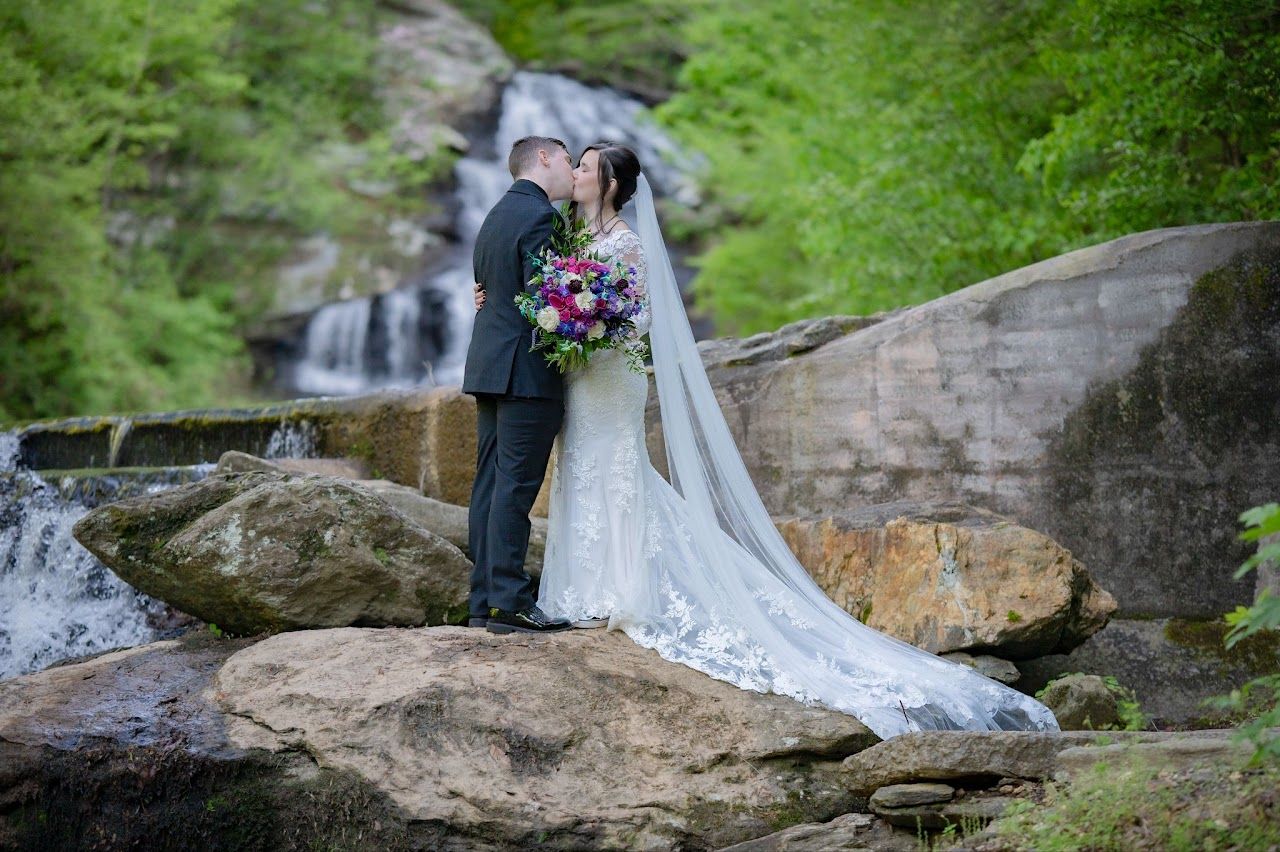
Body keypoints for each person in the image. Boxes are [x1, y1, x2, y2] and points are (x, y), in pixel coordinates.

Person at [477, 141, 1060, 739]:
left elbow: (640, 315)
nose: (574, 172)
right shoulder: (570, 236)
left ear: (612, 186)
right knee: (579, 468)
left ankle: (622, 590)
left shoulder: (626, 240)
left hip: (609, 375)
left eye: (586, 167)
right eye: (573, 164)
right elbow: (537, 287)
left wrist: (594, 318)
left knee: (616, 466)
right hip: (576, 377)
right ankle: (580, 589)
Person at [462, 135, 576, 635]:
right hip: (525, 374)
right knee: (514, 487)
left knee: (489, 485)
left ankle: (483, 599)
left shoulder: (494, 215)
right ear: (545, 158)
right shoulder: (541, 217)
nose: (573, 172)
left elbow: (493, 288)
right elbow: (546, 300)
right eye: (569, 160)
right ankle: (510, 600)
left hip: (489, 366)